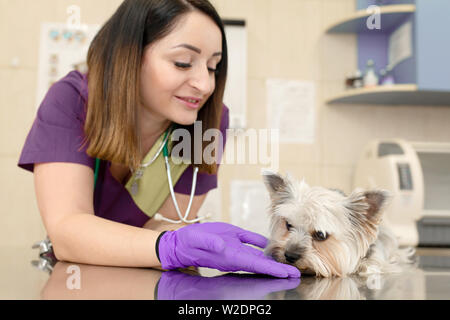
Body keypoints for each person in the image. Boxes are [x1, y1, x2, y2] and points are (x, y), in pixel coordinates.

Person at [18, 0, 300, 278]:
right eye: (183, 63)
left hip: (140, 278)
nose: (205, 84)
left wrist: (193, 241)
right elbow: (68, 232)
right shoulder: (73, 100)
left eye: (213, 66)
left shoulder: (208, 122)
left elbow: (162, 225)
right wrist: (171, 245)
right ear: (127, 56)